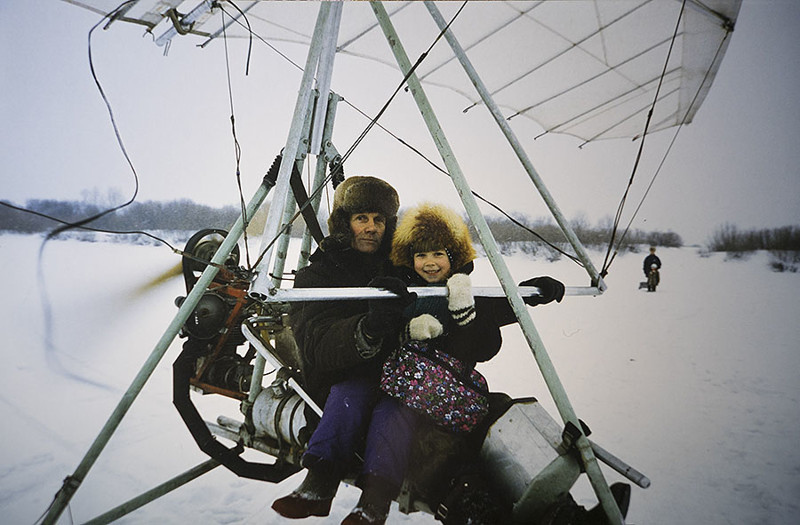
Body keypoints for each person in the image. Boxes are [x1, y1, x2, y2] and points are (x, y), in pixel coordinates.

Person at [271, 176, 416, 524]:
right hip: (341, 376)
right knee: (350, 395)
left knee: (392, 411)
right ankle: (319, 482)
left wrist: (517, 299)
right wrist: (367, 329)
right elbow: (315, 340)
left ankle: (374, 505)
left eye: (378, 220)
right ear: (345, 223)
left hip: (396, 376)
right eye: (361, 218)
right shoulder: (318, 275)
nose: (370, 228)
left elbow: (443, 288)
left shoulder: (401, 267)